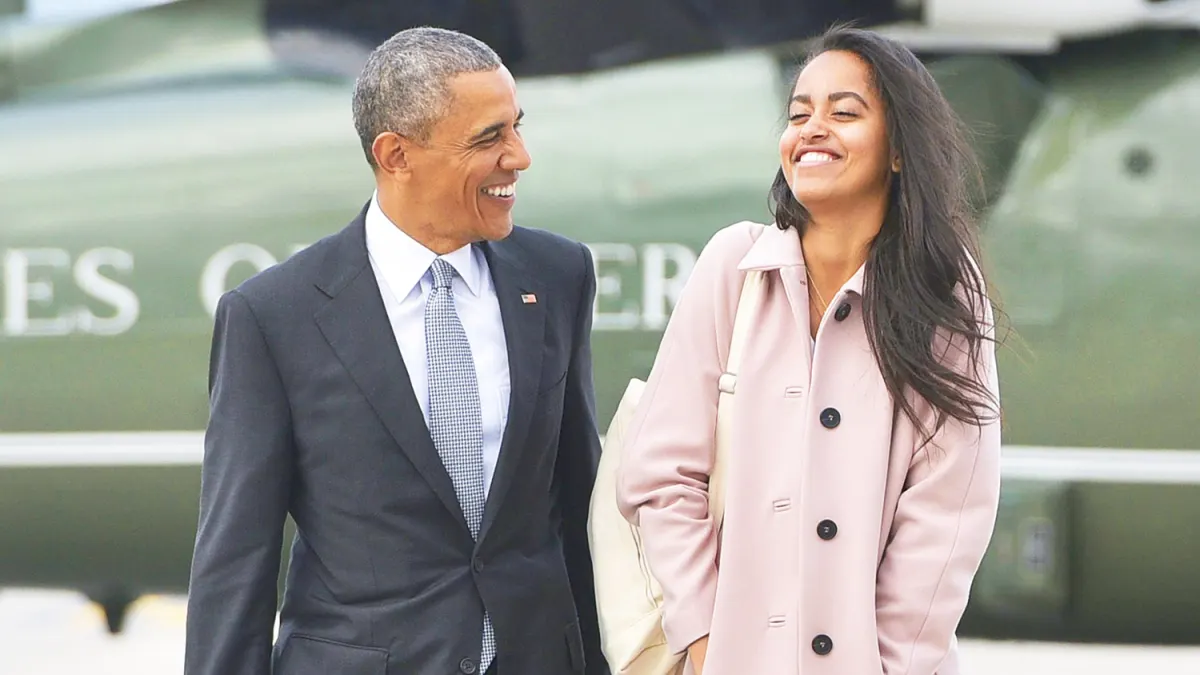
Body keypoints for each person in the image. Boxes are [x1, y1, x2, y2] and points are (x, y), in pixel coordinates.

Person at [184, 27, 607, 675]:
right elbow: (236, 558)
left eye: (516, 127)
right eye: (489, 137)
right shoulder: (274, 316)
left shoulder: (557, 274)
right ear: (396, 155)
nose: (519, 157)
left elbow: (579, 505)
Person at [614, 25, 1003, 675]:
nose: (812, 128)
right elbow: (662, 473)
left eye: (844, 112)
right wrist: (705, 636)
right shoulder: (732, 267)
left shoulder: (946, 292)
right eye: (799, 114)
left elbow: (949, 511)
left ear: (901, 148)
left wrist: (891, 664)